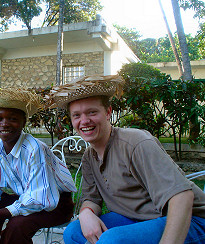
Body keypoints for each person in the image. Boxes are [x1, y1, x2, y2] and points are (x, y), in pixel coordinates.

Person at [47, 74, 205, 244]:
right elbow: (92, 198)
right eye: (76, 115)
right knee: (73, 232)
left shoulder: (136, 143)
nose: (84, 121)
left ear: (108, 112)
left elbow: (182, 197)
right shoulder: (89, 157)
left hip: (189, 220)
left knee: (111, 240)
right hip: (134, 218)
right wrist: (86, 213)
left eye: (92, 112)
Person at [0, 87, 76, 244]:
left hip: (55, 204)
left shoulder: (34, 148)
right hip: (26, 196)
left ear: (23, 122)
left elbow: (39, 198)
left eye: (12, 119)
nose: (4, 124)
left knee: (16, 227)